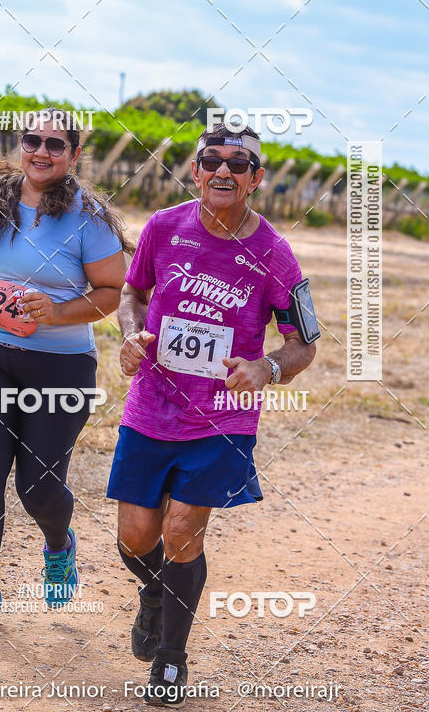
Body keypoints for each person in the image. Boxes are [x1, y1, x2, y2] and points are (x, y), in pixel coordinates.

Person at [107, 122, 319, 705]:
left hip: (222, 415)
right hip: (152, 404)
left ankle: (171, 660)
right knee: (135, 537)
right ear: (196, 171)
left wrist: (269, 369)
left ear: (256, 179)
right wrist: (130, 335)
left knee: (181, 532)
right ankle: (155, 593)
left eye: (238, 162)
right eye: (211, 160)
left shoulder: (273, 251)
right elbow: (133, 293)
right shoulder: (163, 227)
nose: (223, 169)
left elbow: (304, 341)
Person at [0, 109, 128, 628]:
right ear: (21, 145)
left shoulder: (87, 216)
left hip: (61, 366)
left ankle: (59, 541)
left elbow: (113, 292)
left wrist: (59, 311)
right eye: (33, 140)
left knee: (37, 487)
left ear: (73, 154)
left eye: (56, 143)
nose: (42, 151)